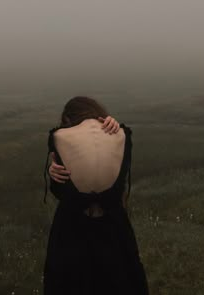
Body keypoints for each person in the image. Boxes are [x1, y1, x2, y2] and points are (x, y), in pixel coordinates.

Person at [43, 96, 150, 295]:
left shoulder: (58, 137)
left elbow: (60, 191)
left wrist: (52, 170)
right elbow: (119, 180)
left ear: (68, 117)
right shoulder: (122, 135)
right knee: (122, 282)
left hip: (71, 232)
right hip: (115, 230)